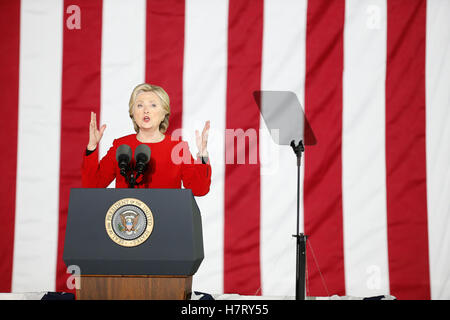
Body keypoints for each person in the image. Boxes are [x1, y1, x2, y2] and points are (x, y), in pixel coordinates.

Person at [81, 83, 211, 196]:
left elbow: (199, 190)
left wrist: (203, 154)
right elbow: (92, 186)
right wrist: (91, 147)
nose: (146, 110)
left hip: (166, 220)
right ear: (133, 113)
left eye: (153, 105)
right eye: (139, 106)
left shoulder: (178, 147)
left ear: (163, 114)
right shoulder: (121, 146)